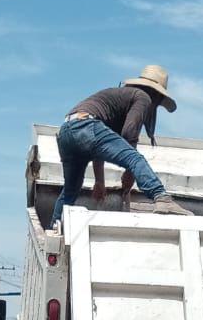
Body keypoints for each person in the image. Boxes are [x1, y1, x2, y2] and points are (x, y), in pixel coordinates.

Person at [50, 65, 194, 228]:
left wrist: (99, 182)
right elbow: (129, 133)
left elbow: (98, 144)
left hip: (67, 131)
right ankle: (161, 197)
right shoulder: (143, 97)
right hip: (86, 125)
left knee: (70, 190)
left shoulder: (121, 98)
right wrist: (130, 171)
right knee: (135, 157)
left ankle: (55, 228)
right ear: (157, 94)